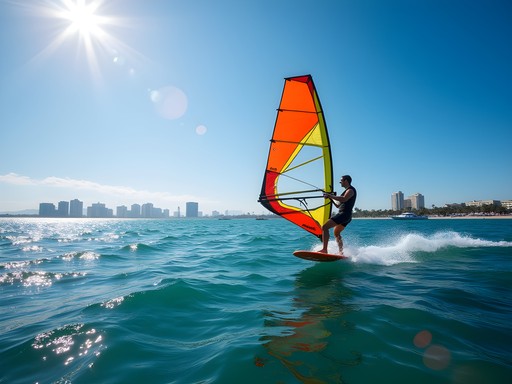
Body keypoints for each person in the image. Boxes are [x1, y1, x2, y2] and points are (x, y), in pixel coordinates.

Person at [319, 175, 357, 254]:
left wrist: (330, 195)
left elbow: (344, 199)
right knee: (336, 233)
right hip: (346, 216)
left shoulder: (350, 190)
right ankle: (341, 252)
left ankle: (324, 250)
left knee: (324, 227)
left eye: (341, 181)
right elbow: (337, 205)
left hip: (343, 214)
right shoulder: (345, 191)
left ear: (346, 181)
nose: (340, 182)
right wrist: (330, 197)